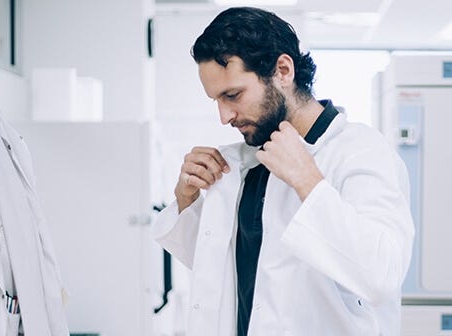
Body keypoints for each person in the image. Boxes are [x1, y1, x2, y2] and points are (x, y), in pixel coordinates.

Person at [151, 6, 415, 336]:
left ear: (283, 70)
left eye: (233, 95)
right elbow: (233, 273)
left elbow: (382, 275)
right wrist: (186, 201)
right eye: (216, 100)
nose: (224, 116)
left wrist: (309, 183)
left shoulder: (360, 151)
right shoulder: (245, 162)